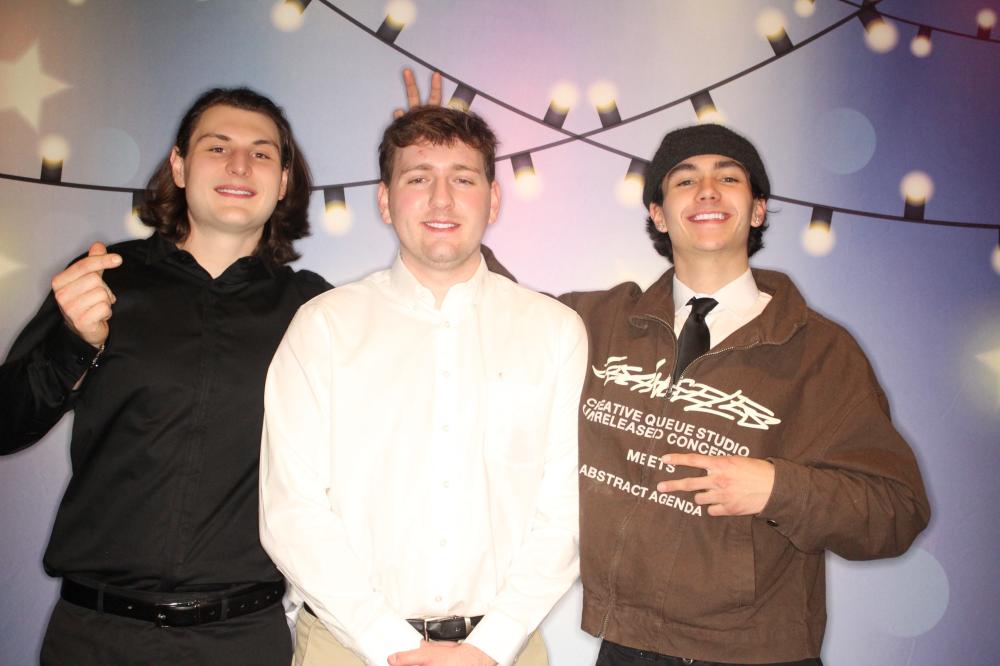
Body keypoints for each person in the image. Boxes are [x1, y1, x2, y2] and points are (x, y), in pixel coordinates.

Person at [398, 72, 929, 665]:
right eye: (685, 180)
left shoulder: (820, 352)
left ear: (757, 210)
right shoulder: (597, 322)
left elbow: (896, 511)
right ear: (657, 212)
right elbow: (499, 303)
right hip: (626, 647)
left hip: (757, 654)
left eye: (729, 177)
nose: (708, 191)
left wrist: (777, 487)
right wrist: (436, 161)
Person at [0, 87, 330, 665]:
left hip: (242, 641)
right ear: (179, 166)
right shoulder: (103, 278)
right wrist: (73, 344)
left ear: (283, 182)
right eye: (216, 147)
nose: (239, 165)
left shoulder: (315, 312)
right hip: (94, 637)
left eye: (261, 153)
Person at [259, 105, 587, 666]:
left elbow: (567, 509)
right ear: (385, 201)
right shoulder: (323, 327)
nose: (441, 199)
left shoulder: (555, 331)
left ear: (493, 199)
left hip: (504, 651)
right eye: (418, 179)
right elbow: (291, 510)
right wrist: (389, 643)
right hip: (346, 646)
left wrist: (492, 643)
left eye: (463, 179)